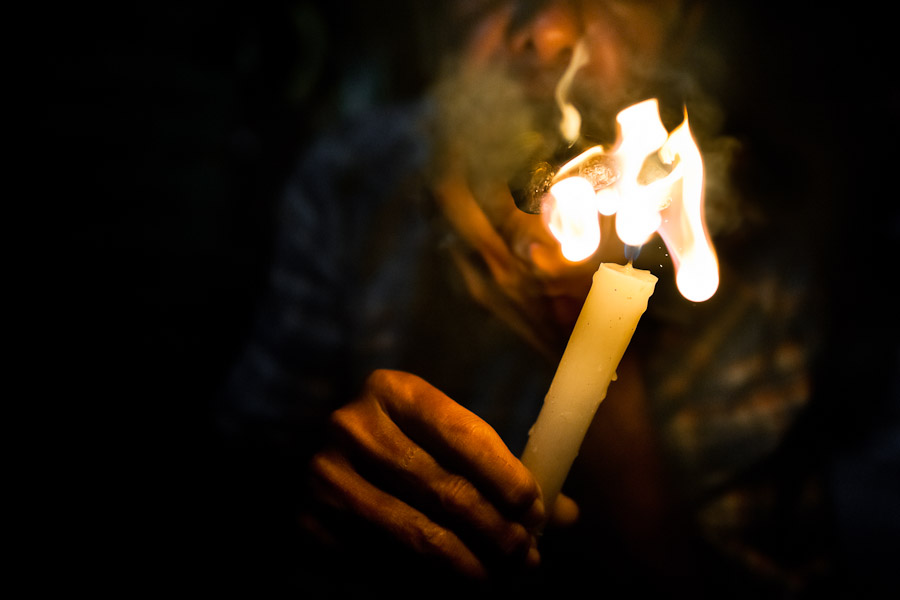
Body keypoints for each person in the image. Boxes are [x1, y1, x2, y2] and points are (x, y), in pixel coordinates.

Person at [217, 1, 826, 596]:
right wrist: (321, 512)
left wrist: (579, 335)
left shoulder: (759, 267)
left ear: (681, 22)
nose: (549, 31)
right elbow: (245, 477)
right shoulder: (354, 181)